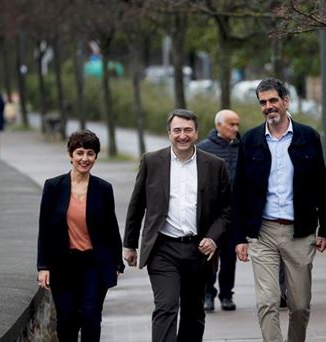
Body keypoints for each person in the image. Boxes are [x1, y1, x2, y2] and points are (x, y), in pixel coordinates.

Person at [233, 78, 326, 342]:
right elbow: (239, 191)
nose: (268, 107)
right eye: (263, 102)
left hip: (299, 231)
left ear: (285, 101)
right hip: (262, 231)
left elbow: (321, 184)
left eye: (273, 100)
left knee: (299, 306)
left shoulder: (308, 137)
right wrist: (239, 237)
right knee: (267, 301)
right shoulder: (252, 140)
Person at [123, 109, 231, 342]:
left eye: (188, 130)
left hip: (198, 250)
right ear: (169, 133)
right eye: (177, 130)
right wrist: (129, 244)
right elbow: (137, 204)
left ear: (196, 133)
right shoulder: (152, 161)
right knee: (166, 306)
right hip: (162, 248)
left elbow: (227, 210)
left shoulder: (215, 165)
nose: (182, 135)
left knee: (194, 312)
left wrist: (213, 238)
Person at [37, 130, 124, 342]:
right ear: (70, 154)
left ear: (96, 157)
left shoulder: (103, 189)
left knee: (91, 317)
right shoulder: (53, 187)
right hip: (63, 264)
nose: (85, 159)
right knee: (67, 320)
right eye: (80, 153)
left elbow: (111, 228)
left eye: (90, 154)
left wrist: (117, 262)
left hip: (94, 263)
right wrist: (43, 266)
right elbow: (45, 229)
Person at [197, 109, 240, 312]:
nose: (235, 129)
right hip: (210, 216)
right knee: (209, 257)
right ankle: (207, 294)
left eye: (237, 124)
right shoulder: (203, 149)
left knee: (230, 258)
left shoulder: (242, 148)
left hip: (234, 214)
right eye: (231, 124)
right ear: (218, 126)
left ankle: (226, 295)